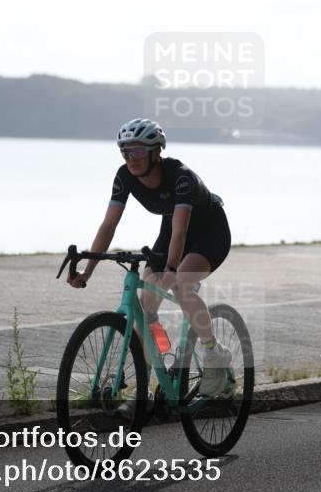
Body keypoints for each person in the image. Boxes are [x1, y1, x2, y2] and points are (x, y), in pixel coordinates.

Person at [66, 118, 233, 401]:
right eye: (126, 152)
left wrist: (171, 269)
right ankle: (150, 375)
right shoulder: (124, 176)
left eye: (139, 151)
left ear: (156, 152)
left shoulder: (180, 175)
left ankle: (214, 353)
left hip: (208, 231)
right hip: (172, 230)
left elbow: (181, 233)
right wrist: (88, 269)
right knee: (144, 305)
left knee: (181, 285)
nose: (132, 159)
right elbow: (109, 226)